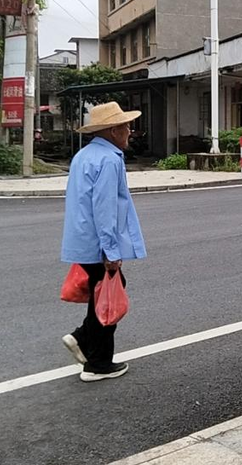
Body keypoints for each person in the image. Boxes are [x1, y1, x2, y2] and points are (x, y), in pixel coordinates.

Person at [60, 102, 147, 381]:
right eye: (125, 126)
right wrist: (111, 251)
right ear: (112, 130)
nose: (129, 131)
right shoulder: (109, 159)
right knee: (111, 293)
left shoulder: (85, 155)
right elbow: (105, 208)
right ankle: (97, 362)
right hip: (98, 243)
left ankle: (83, 339)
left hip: (82, 239)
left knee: (104, 291)